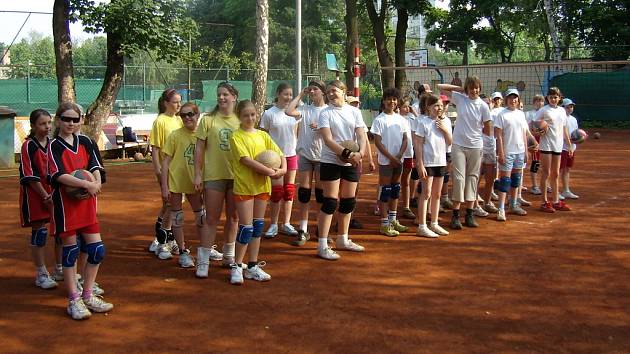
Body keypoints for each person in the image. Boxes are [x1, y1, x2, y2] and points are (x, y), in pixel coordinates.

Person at [48, 102, 113, 320]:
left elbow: (96, 166)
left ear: (81, 121)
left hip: (87, 205)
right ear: (58, 120)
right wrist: (86, 185)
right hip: (65, 207)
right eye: (66, 119)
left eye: (75, 119)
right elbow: (57, 175)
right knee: (71, 251)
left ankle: (87, 293)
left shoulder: (86, 141)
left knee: (97, 250)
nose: (71, 123)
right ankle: (73, 299)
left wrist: (95, 182)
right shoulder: (54, 146)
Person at [229, 100, 286, 284]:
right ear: (239, 116)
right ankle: (237, 266)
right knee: (246, 228)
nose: (250, 118)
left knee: (258, 227)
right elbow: (246, 160)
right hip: (245, 186)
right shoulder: (236, 136)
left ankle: (252, 266)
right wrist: (270, 171)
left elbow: (280, 154)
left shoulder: (263, 135)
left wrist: (283, 169)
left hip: (262, 187)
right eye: (246, 115)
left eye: (253, 114)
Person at [316, 80, 367, 260]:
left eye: (334, 91)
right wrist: (347, 154)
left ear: (344, 92)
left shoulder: (354, 112)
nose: (330, 94)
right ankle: (322, 244)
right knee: (330, 202)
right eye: (328, 92)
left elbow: (361, 134)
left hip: (351, 161)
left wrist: (360, 153)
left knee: (348, 202)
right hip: (331, 160)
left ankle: (342, 239)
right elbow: (328, 140)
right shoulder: (325, 113)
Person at [194, 82, 241, 268]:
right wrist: (197, 174)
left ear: (234, 97)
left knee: (234, 218)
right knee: (211, 218)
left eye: (225, 94)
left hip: (237, 176)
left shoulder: (241, 120)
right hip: (214, 175)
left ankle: (229, 256)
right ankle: (203, 261)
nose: (221, 98)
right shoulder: (208, 120)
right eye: (219, 94)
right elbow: (199, 148)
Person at [161, 103, 211, 274]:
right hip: (177, 183)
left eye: (190, 114)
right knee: (177, 217)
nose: (187, 118)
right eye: (183, 115)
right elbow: (166, 161)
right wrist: (165, 186)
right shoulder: (175, 135)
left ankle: (205, 248)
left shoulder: (203, 135)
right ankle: (182, 251)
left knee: (200, 216)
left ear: (198, 115)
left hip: (195, 183)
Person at [438, 77, 492, 229]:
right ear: (467, 88)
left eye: (476, 88)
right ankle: (455, 215)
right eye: (471, 87)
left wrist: (483, 141)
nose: (474, 90)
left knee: (472, 178)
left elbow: (488, 128)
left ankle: (469, 213)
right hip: (459, 145)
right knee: (459, 178)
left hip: (475, 146)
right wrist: (461, 89)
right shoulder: (461, 99)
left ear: (480, 89)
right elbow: (440, 87)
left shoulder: (483, 106)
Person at [19, 109, 57, 289]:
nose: (47, 127)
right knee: (40, 233)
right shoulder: (28, 146)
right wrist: (44, 196)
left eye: (49, 123)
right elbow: (30, 175)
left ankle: (60, 268)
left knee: (61, 232)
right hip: (35, 196)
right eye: (42, 124)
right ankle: (41, 273)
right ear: (33, 126)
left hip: (53, 194)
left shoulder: (53, 144)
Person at [285, 80, 327, 245]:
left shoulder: (327, 111)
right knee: (303, 193)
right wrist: (302, 93)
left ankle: (320, 227)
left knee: (321, 195)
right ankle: (303, 229)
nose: (312, 92)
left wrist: (322, 127)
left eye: (315, 89)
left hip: (323, 156)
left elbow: (334, 131)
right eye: (311, 89)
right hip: (305, 155)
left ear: (323, 92)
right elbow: (289, 111)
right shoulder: (305, 109)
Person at [260, 83, 299, 238]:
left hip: (291, 155)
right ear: (278, 94)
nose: (288, 97)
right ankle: (274, 224)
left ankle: (287, 223)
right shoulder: (269, 114)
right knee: (276, 192)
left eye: (290, 94)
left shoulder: (294, 114)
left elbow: (296, 133)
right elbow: (263, 135)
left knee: (289, 190)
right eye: (285, 94)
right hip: (275, 158)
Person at [371, 88, 410, 237]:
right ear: (384, 101)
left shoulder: (401, 120)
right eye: (388, 99)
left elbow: (405, 139)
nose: (391, 102)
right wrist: (391, 157)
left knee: (396, 189)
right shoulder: (379, 120)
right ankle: (384, 223)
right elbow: (378, 142)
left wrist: (399, 155)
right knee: (385, 190)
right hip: (386, 161)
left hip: (398, 160)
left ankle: (393, 219)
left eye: (394, 99)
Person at [149, 89, 182, 258]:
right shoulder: (160, 121)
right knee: (170, 204)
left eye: (180, 101)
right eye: (175, 102)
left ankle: (160, 239)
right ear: (166, 103)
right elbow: (154, 148)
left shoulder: (179, 120)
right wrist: (158, 170)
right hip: (166, 170)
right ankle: (164, 241)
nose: (178, 105)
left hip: (179, 170)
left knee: (168, 205)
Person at [414, 94, 452, 237]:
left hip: (440, 162)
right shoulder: (422, 122)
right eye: (436, 105)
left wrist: (445, 130)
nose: (439, 108)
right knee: (426, 193)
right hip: (428, 162)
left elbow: (450, 142)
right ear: (428, 107)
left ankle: (434, 223)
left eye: (441, 106)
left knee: (436, 194)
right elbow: (417, 143)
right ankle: (422, 226)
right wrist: (420, 164)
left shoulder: (445, 122)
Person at [535, 87, 573, 213]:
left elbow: (564, 128)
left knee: (556, 173)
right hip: (546, 145)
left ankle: (556, 201)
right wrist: (538, 131)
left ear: (559, 98)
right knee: (546, 172)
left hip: (558, 145)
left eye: (555, 97)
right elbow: (533, 123)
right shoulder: (543, 110)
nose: (553, 99)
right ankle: (544, 201)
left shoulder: (562, 111)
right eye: (551, 97)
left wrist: (569, 145)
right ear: (548, 98)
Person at [494, 89, 529, 221]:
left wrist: (526, 151)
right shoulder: (502, 115)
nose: (513, 100)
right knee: (505, 181)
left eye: (515, 98)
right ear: (506, 99)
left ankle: (513, 204)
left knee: (516, 179)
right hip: (508, 151)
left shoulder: (521, 114)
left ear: (518, 100)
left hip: (519, 151)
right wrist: (501, 152)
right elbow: (498, 135)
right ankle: (501, 208)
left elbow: (524, 134)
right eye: (510, 98)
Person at [399, 96, 417, 220]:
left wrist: (414, 112)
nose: (407, 109)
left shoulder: (411, 118)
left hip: (408, 154)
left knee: (406, 181)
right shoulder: (396, 119)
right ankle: (385, 205)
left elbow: (419, 126)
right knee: (392, 181)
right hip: (396, 154)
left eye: (408, 106)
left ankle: (406, 207)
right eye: (404, 106)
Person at [560, 98, 579, 200]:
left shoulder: (573, 119)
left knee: (567, 169)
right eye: (567, 107)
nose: (570, 108)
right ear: (562, 108)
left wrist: (578, 140)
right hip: (563, 148)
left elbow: (576, 133)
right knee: (558, 170)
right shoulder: (562, 119)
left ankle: (566, 190)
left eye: (571, 106)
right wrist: (569, 144)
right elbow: (563, 133)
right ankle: (556, 191)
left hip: (572, 148)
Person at [526, 95, 545, 195]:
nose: (539, 103)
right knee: (535, 163)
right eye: (537, 101)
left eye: (541, 101)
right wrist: (534, 135)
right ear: (533, 103)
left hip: (545, 141)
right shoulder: (530, 114)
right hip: (535, 141)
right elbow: (527, 129)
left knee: (546, 164)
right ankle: (534, 186)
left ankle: (546, 185)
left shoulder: (546, 113)